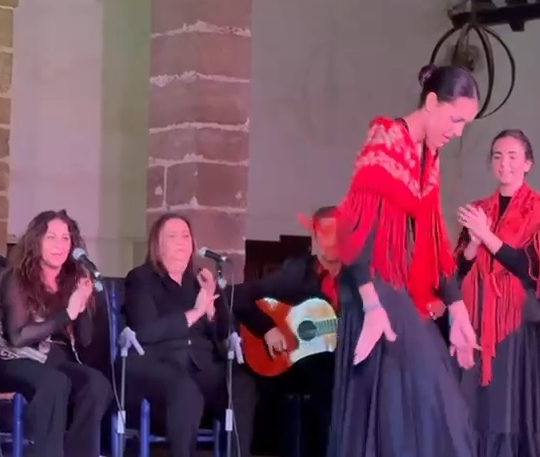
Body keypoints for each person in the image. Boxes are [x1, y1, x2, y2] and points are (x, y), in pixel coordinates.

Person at [328, 64, 480, 457]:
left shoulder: (430, 157)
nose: (458, 132)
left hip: (395, 291)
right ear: (431, 102)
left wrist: (458, 308)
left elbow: (434, 239)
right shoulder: (385, 141)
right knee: (409, 411)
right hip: (370, 289)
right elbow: (354, 232)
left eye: (465, 125)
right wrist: (372, 305)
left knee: (432, 410)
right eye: (456, 120)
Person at [121, 213, 262, 457]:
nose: (181, 242)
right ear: (158, 244)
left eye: (186, 236)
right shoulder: (141, 279)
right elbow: (145, 331)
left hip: (200, 363)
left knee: (242, 384)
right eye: (172, 236)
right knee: (185, 390)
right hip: (160, 362)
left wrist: (211, 311)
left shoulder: (200, 280)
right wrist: (195, 313)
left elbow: (224, 333)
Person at [456, 129, 540, 457]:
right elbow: (459, 267)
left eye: (513, 156)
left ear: (528, 163)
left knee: (508, 403)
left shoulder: (539, 208)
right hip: (477, 316)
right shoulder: (479, 208)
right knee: (475, 403)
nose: (505, 163)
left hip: (513, 319)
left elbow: (532, 269)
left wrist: (486, 235)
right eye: (498, 156)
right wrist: (474, 243)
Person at [0, 210, 113, 457]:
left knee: (97, 385)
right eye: (51, 237)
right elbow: (17, 337)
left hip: (57, 362)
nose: (59, 245)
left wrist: (83, 303)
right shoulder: (16, 279)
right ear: (36, 241)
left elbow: (85, 340)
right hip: (16, 360)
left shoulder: (71, 280)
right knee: (55, 382)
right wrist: (67, 313)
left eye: (65, 238)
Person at [242, 206, 341, 457]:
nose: (332, 240)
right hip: (297, 364)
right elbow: (241, 295)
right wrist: (267, 328)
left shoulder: (359, 276)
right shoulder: (298, 271)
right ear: (315, 236)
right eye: (325, 232)